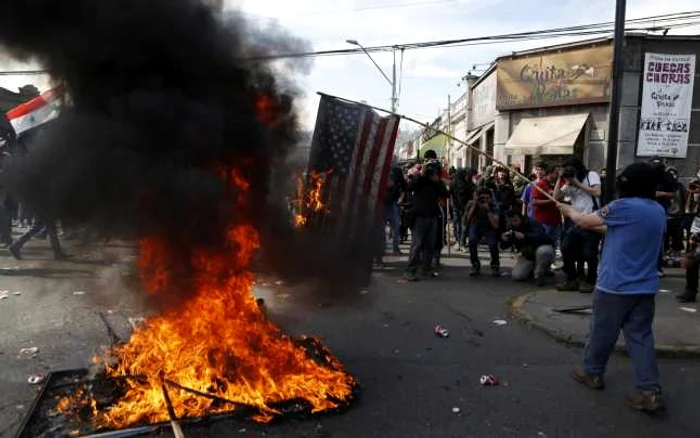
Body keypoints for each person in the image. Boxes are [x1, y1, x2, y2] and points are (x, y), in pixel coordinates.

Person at [559, 162, 666, 413]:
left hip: (614, 287)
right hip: (645, 288)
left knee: (601, 332)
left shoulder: (622, 206)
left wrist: (569, 211)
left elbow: (585, 221)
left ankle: (592, 372)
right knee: (640, 337)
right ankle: (648, 390)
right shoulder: (657, 210)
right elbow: (613, 229)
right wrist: (582, 220)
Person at [554, 157, 602, 294]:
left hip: (592, 220)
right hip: (576, 222)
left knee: (589, 253)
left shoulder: (590, 175)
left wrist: (576, 182)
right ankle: (572, 279)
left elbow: (597, 192)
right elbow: (556, 196)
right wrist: (560, 179)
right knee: (566, 248)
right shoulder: (568, 183)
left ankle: (590, 281)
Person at [403, 160, 448, 282]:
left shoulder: (435, 182)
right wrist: (421, 175)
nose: (430, 172)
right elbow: (410, 187)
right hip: (419, 216)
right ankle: (410, 271)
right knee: (417, 245)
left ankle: (426, 269)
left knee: (430, 245)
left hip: (432, 216)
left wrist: (438, 181)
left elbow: (445, 194)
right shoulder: (420, 180)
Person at [501, 211, 554, 286]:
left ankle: (539, 274)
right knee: (517, 275)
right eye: (512, 221)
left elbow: (544, 238)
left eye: (516, 220)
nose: (514, 223)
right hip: (528, 255)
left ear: (521, 218)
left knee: (544, 251)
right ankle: (535, 269)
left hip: (542, 250)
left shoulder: (532, 222)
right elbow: (503, 247)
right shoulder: (511, 228)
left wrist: (525, 236)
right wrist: (504, 240)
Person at [463, 187, 500, 277]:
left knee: (492, 243)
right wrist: (474, 206)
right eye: (482, 198)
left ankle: (495, 265)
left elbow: (495, 225)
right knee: (472, 241)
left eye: (487, 198)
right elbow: (465, 222)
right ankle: (475, 264)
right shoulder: (471, 204)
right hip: (476, 225)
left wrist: (488, 211)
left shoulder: (494, 206)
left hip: (489, 226)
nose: (485, 200)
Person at [531, 161, 562, 246]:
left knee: (553, 246)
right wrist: (550, 201)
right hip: (544, 222)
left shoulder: (556, 184)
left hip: (555, 221)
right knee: (544, 246)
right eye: (557, 173)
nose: (559, 175)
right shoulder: (541, 184)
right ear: (550, 173)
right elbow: (534, 201)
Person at [382, 165, 406, 255]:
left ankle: (395, 249)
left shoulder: (396, 171)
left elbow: (404, 187)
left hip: (393, 203)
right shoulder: (382, 170)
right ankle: (382, 250)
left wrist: (401, 198)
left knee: (395, 228)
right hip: (384, 204)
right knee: (382, 229)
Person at [450, 168, 475, 252]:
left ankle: (461, 242)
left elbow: (470, 193)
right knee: (459, 225)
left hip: (463, 207)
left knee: (462, 225)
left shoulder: (466, 183)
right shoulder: (454, 183)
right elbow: (450, 194)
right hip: (457, 207)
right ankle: (459, 242)